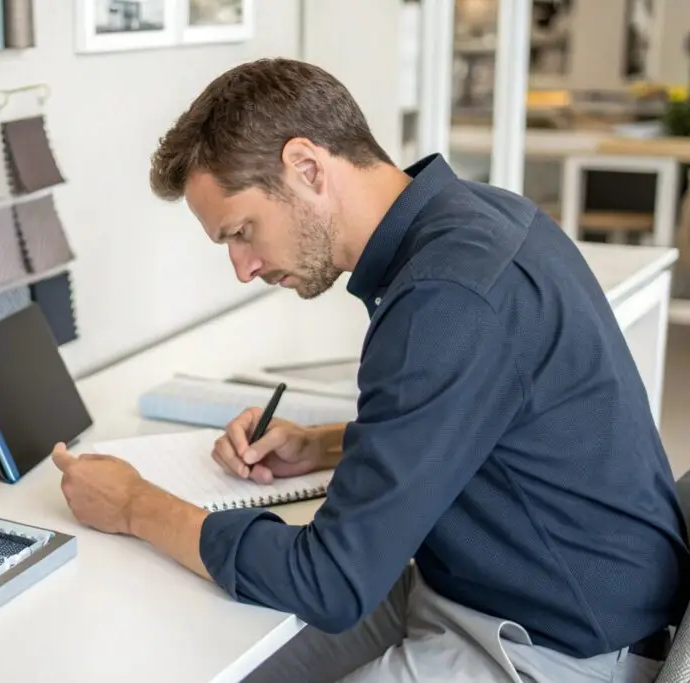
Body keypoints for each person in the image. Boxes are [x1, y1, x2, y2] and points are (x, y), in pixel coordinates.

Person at [49, 57, 690, 682]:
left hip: (549, 647)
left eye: (242, 231)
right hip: (486, 586)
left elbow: (330, 581)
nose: (242, 268)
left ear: (306, 167)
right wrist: (328, 444)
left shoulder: (447, 296)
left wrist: (135, 505)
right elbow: (486, 420)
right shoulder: (478, 217)